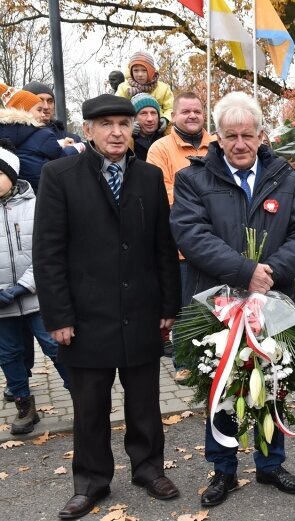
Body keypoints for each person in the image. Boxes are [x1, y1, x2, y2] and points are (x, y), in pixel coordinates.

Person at [33, 94, 181, 519]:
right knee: (90, 408)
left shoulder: (149, 177)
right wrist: (57, 316)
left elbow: (162, 247)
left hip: (141, 311)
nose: (117, 132)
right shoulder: (59, 175)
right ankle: (91, 482)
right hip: (84, 317)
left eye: (123, 123)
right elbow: (48, 253)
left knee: (145, 404)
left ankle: (149, 469)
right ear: (89, 131)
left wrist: (168, 305)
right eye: (106, 124)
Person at [170, 92, 295, 507]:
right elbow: (190, 234)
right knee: (223, 387)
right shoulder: (193, 178)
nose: (240, 144)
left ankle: (272, 465)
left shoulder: (284, 177)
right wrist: (243, 271)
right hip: (217, 304)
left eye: (247, 135)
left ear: (260, 136)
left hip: (272, 300)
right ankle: (224, 470)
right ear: (217, 136)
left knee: (272, 383)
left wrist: (270, 272)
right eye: (231, 135)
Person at [0, 139, 70, 435]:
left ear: (12, 175)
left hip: (37, 299)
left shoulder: (36, 205)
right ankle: (24, 405)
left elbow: (48, 250)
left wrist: (23, 286)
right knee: (9, 355)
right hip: (1, 307)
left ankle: (84, 396)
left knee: (56, 348)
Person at [146, 92, 213, 382]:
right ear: (173, 116)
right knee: (185, 307)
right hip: (181, 243)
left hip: (216, 242)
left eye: (197, 111)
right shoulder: (160, 149)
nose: (192, 116)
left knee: (213, 303)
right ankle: (183, 361)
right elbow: (163, 193)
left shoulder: (217, 146)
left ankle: (213, 357)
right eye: (185, 111)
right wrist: (208, 200)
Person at [0, 84, 82, 192]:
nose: (45, 107)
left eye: (50, 101)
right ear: (24, 109)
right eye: (40, 103)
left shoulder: (72, 138)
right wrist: (77, 148)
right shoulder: (43, 136)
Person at [115, 51, 174, 125]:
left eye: (144, 70)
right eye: (136, 70)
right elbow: (117, 110)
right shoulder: (123, 88)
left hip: (158, 128)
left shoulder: (163, 88)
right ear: (131, 71)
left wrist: (165, 119)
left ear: (151, 71)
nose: (140, 74)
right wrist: (128, 124)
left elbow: (171, 108)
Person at [130, 93, 168, 161]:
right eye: (143, 113)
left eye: (153, 113)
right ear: (134, 118)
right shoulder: (127, 142)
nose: (150, 119)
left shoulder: (169, 136)